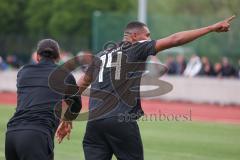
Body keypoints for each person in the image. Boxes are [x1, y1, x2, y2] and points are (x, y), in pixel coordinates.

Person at [57, 16, 236, 160]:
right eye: (147, 35)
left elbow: (79, 85)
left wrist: (67, 117)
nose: (149, 40)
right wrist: (210, 28)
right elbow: (175, 39)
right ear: (134, 36)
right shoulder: (136, 48)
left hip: (95, 123)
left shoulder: (101, 55)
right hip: (120, 119)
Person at [5, 39, 82, 160]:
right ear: (58, 58)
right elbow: (76, 105)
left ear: (37, 56)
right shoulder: (63, 74)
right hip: (37, 135)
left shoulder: (23, 72)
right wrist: (67, 120)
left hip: (12, 133)